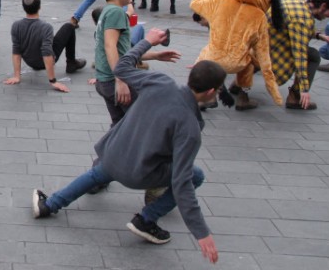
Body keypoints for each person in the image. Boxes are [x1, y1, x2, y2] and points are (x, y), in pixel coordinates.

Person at [33, 33, 223, 265]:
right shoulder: (190, 127)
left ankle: (48, 205)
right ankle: (147, 219)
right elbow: (182, 182)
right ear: (212, 92)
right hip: (139, 173)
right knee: (196, 176)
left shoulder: (160, 82)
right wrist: (201, 232)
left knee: (96, 174)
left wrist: (148, 42)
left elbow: (121, 66)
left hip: (113, 155)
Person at [91, 0, 180, 125]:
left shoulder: (108, 10)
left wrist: (156, 55)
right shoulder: (116, 12)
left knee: (121, 126)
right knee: (141, 125)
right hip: (114, 80)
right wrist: (121, 79)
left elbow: (123, 53)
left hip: (105, 80)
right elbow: (109, 46)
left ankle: (113, 148)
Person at [191, 0, 284, 110]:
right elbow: (263, 54)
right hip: (237, 63)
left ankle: (207, 98)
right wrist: (272, 88)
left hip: (212, 59)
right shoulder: (259, 17)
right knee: (250, 59)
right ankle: (243, 97)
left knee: (206, 53)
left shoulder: (219, 2)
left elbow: (194, 3)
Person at [264, 0, 329, 110]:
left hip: (260, 44)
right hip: (272, 50)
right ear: (323, 6)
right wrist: (304, 89)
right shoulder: (302, 20)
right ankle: (295, 97)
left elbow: (297, 28)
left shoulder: (298, 2)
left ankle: (238, 85)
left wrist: (320, 36)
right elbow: (300, 54)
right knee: (313, 55)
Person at [5, 0, 85, 91]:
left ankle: (68, 63)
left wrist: (17, 76)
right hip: (43, 62)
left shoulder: (16, 25)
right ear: (39, 7)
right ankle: (71, 62)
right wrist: (53, 81)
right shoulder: (46, 27)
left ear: (23, 7)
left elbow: (16, 51)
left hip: (30, 62)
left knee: (38, 41)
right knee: (69, 26)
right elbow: (47, 53)